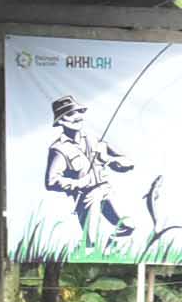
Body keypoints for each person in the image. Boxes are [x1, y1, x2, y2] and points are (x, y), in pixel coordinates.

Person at [44, 94, 139, 245]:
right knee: (90, 242)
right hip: (86, 197)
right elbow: (51, 182)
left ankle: (111, 248)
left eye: (78, 112)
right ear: (60, 120)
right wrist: (79, 183)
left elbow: (128, 162)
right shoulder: (58, 149)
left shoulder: (94, 139)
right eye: (70, 113)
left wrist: (109, 160)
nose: (76, 116)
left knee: (128, 226)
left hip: (106, 191)